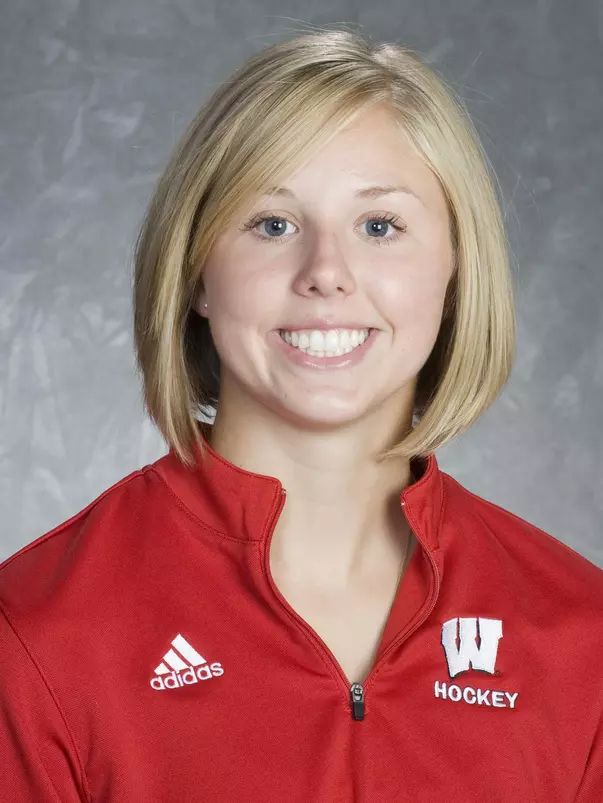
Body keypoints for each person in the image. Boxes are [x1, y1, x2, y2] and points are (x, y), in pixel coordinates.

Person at [0, 28, 601, 803]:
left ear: (456, 271)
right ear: (197, 272)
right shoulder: (38, 632)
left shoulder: (581, 637)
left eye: (379, 226)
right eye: (272, 224)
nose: (325, 273)